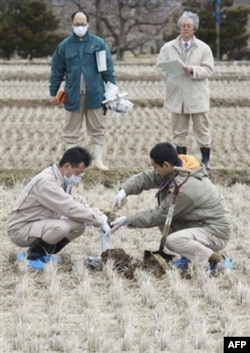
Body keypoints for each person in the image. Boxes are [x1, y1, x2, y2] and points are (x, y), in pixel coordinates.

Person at [110, 142, 232, 274]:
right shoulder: (177, 166)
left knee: (173, 241)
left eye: (155, 167)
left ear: (166, 165)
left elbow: (158, 215)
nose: (155, 170)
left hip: (215, 231)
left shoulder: (186, 187)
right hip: (199, 222)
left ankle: (215, 259)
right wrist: (124, 191)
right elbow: (148, 177)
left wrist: (127, 220)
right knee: (165, 222)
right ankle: (190, 256)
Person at [7, 147, 111, 270]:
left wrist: (101, 216)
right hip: (21, 229)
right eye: (78, 172)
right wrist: (97, 221)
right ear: (67, 166)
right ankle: (32, 257)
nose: (79, 177)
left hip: (38, 224)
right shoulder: (47, 182)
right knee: (61, 227)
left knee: (79, 225)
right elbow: (69, 208)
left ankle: (44, 254)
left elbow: (78, 203)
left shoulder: (63, 181)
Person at [49, 10, 117, 171]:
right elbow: (56, 71)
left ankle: (98, 161)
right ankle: (71, 164)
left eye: (83, 24)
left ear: (88, 24)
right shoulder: (64, 46)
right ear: (72, 25)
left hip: (95, 95)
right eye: (77, 24)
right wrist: (53, 92)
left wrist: (113, 89)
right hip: (72, 95)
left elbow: (107, 69)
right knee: (70, 130)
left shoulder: (98, 44)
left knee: (97, 128)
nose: (80, 26)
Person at [156, 11, 214, 170]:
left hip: (197, 96)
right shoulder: (168, 47)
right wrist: (171, 77)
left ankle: (206, 161)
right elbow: (160, 68)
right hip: (177, 96)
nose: (185, 28)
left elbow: (209, 70)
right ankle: (181, 162)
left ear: (194, 28)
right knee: (179, 132)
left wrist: (192, 70)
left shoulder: (203, 48)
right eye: (183, 25)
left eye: (189, 26)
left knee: (202, 129)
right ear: (179, 27)